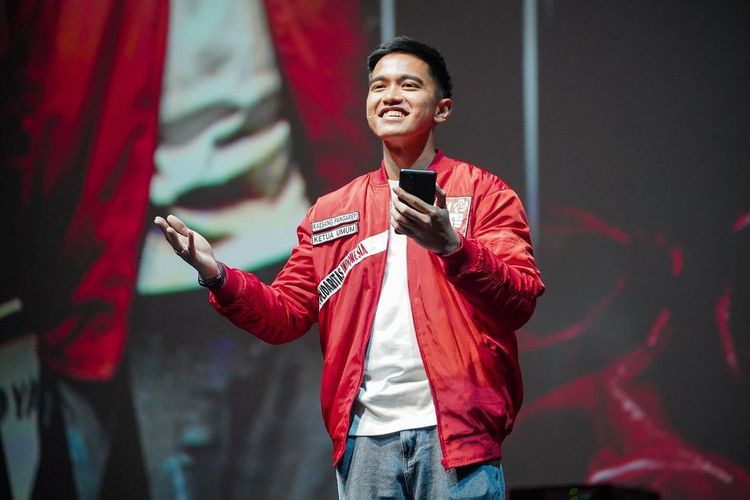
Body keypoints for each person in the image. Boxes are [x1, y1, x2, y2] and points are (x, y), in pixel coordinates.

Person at [155, 36, 544, 499]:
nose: (390, 96)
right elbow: (285, 315)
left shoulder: (485, 194)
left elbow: (519, 299)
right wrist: (216, 275)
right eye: (379, 86)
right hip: (364, 442)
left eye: (409, 85)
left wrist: (453, 247)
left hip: (457, 438)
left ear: (442, 109)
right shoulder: (332, 211)